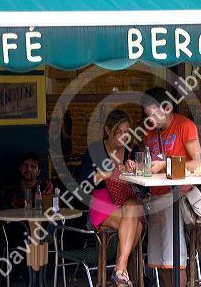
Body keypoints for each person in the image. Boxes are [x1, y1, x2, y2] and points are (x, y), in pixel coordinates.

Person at [126, 87, 201, 287]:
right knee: (161, 261)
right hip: (155, 198)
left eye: (153, 113)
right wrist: (137, 166)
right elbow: (150, 164)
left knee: (174, 260)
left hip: (175, 197)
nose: (150, 119)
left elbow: (198, 164)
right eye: (147, 115)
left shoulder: (185, 126)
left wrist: (165, 164)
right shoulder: (150, 133)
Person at [79, 109, 143, 287]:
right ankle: (122, 271)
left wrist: (136, 168)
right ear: (108, 130)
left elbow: (143, 179)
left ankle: (119, 270)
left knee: (133, 207)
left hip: (126, 197)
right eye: (119, 132)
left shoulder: (132, 150)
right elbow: (82, 183)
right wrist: (101, 175)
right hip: (102, 201)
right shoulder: (95, 150)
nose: (124, 137)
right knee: (136, 225)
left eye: (127, 132)